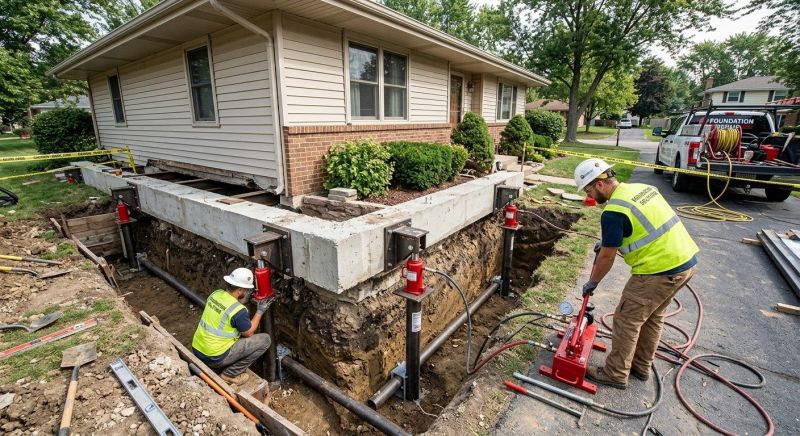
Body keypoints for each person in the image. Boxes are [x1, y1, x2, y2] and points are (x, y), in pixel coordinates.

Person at [574, 158, 698, 390]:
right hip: (685, 262)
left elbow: (607, 257)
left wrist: (593, 282)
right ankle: (640, 367)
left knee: (626, 320)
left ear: (599, 183)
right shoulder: (643, 189)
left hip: (657, 271)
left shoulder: (613, 211)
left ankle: (615, 373)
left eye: (588, 190)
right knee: (653, 317)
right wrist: (608, 241)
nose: (589, 196)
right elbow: (640, 224)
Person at [192, 267, 272, 385]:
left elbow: (226, 309)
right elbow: (249, 332)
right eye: (247, 290)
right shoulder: (238, 311)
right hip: (214, 357)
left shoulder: (216, 294)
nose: (248, 293)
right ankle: (229, 374)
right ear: (240, 290)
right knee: (265, 340)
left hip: (197, 349)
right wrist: (260, 311)